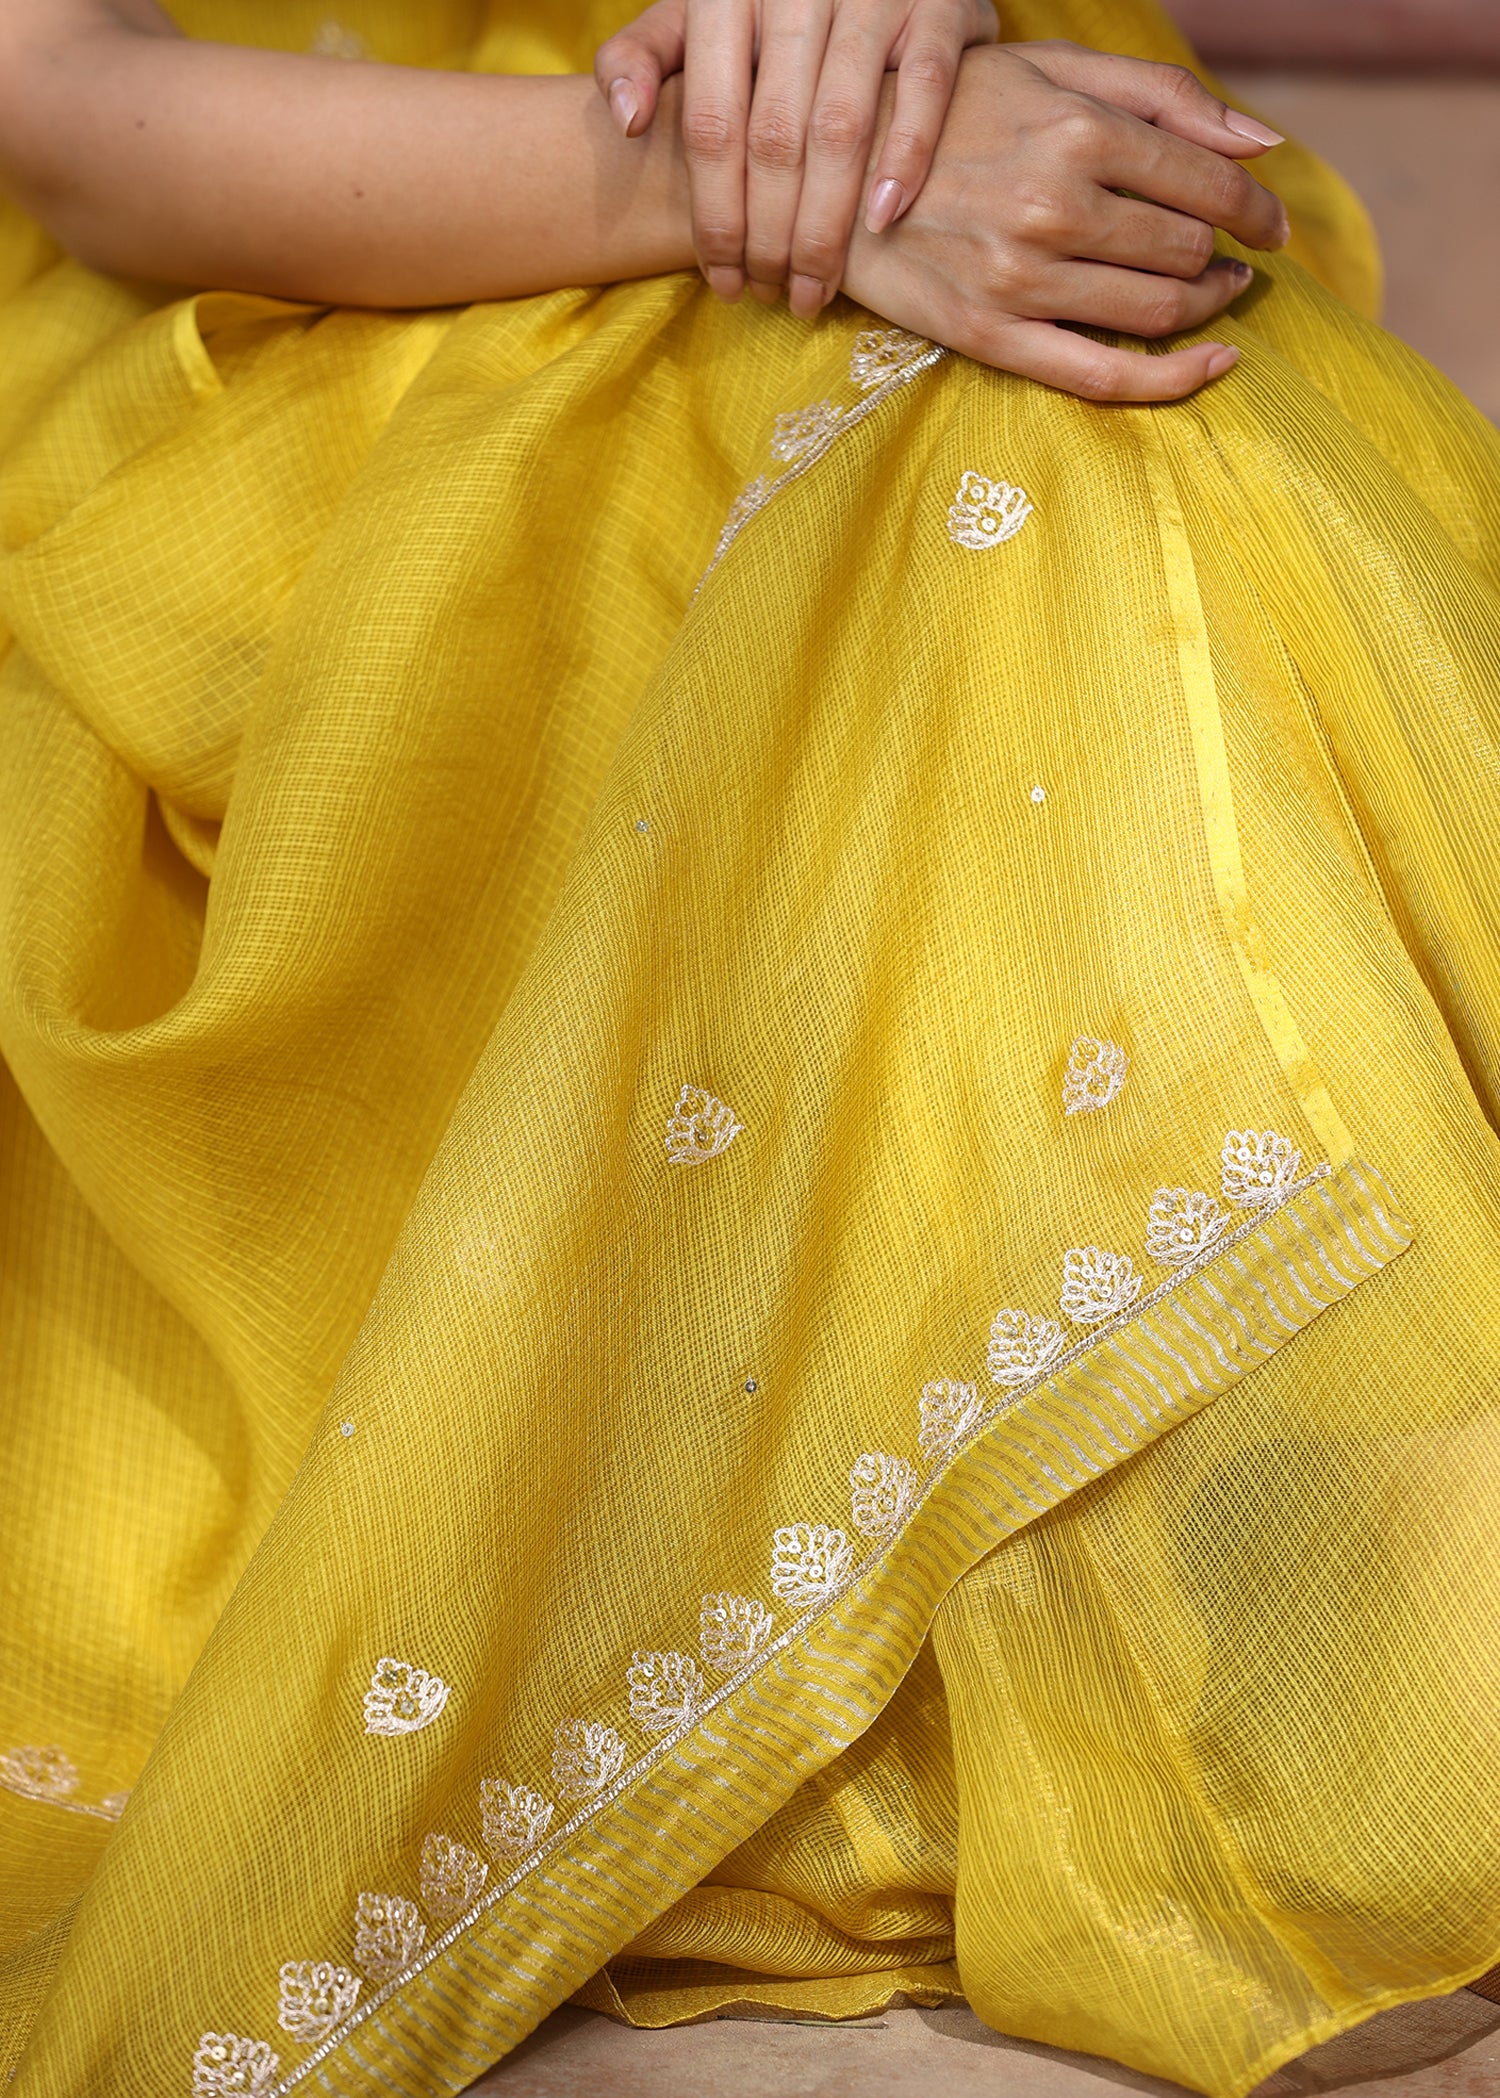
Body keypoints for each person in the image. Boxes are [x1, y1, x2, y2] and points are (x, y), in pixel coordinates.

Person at [0, 4, 1496, 2095]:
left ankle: (1320, 1604)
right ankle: (1252, 1713)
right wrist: (824, 176)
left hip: (932, 110)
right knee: (1001, 412)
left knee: (1110, 389)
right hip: (313, 253)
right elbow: (70, 108)